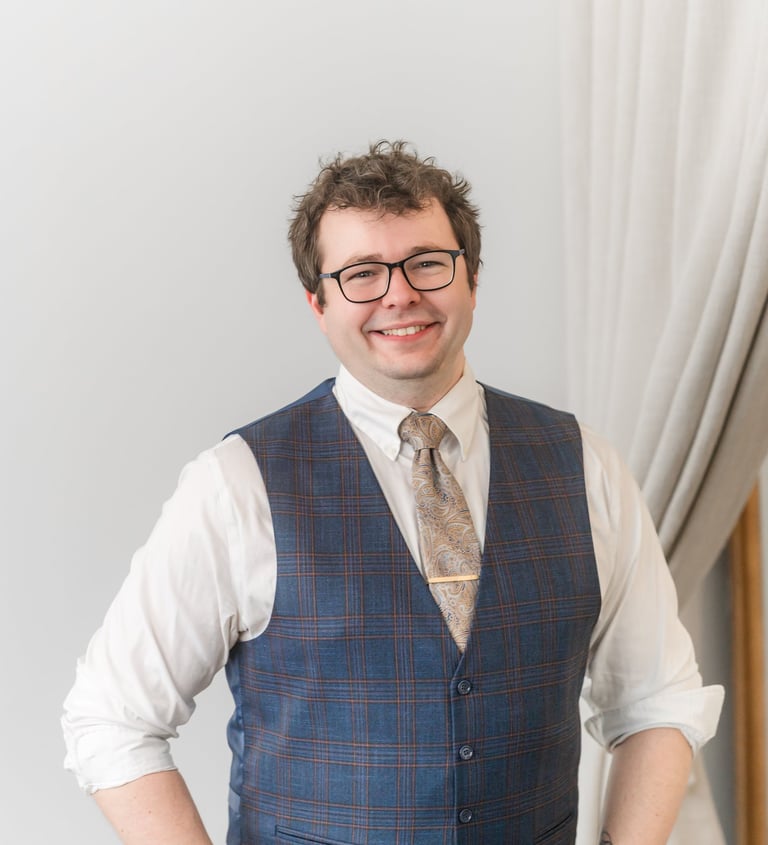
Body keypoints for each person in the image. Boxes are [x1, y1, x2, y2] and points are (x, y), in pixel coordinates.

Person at [63, 140, 723, 845]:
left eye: (427, 263)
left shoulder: (586, 465)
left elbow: (657, 700)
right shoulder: (237, 484)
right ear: (317, 303)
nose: (400, 294)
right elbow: (112, 718)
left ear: (471, 279)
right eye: (361, 274)